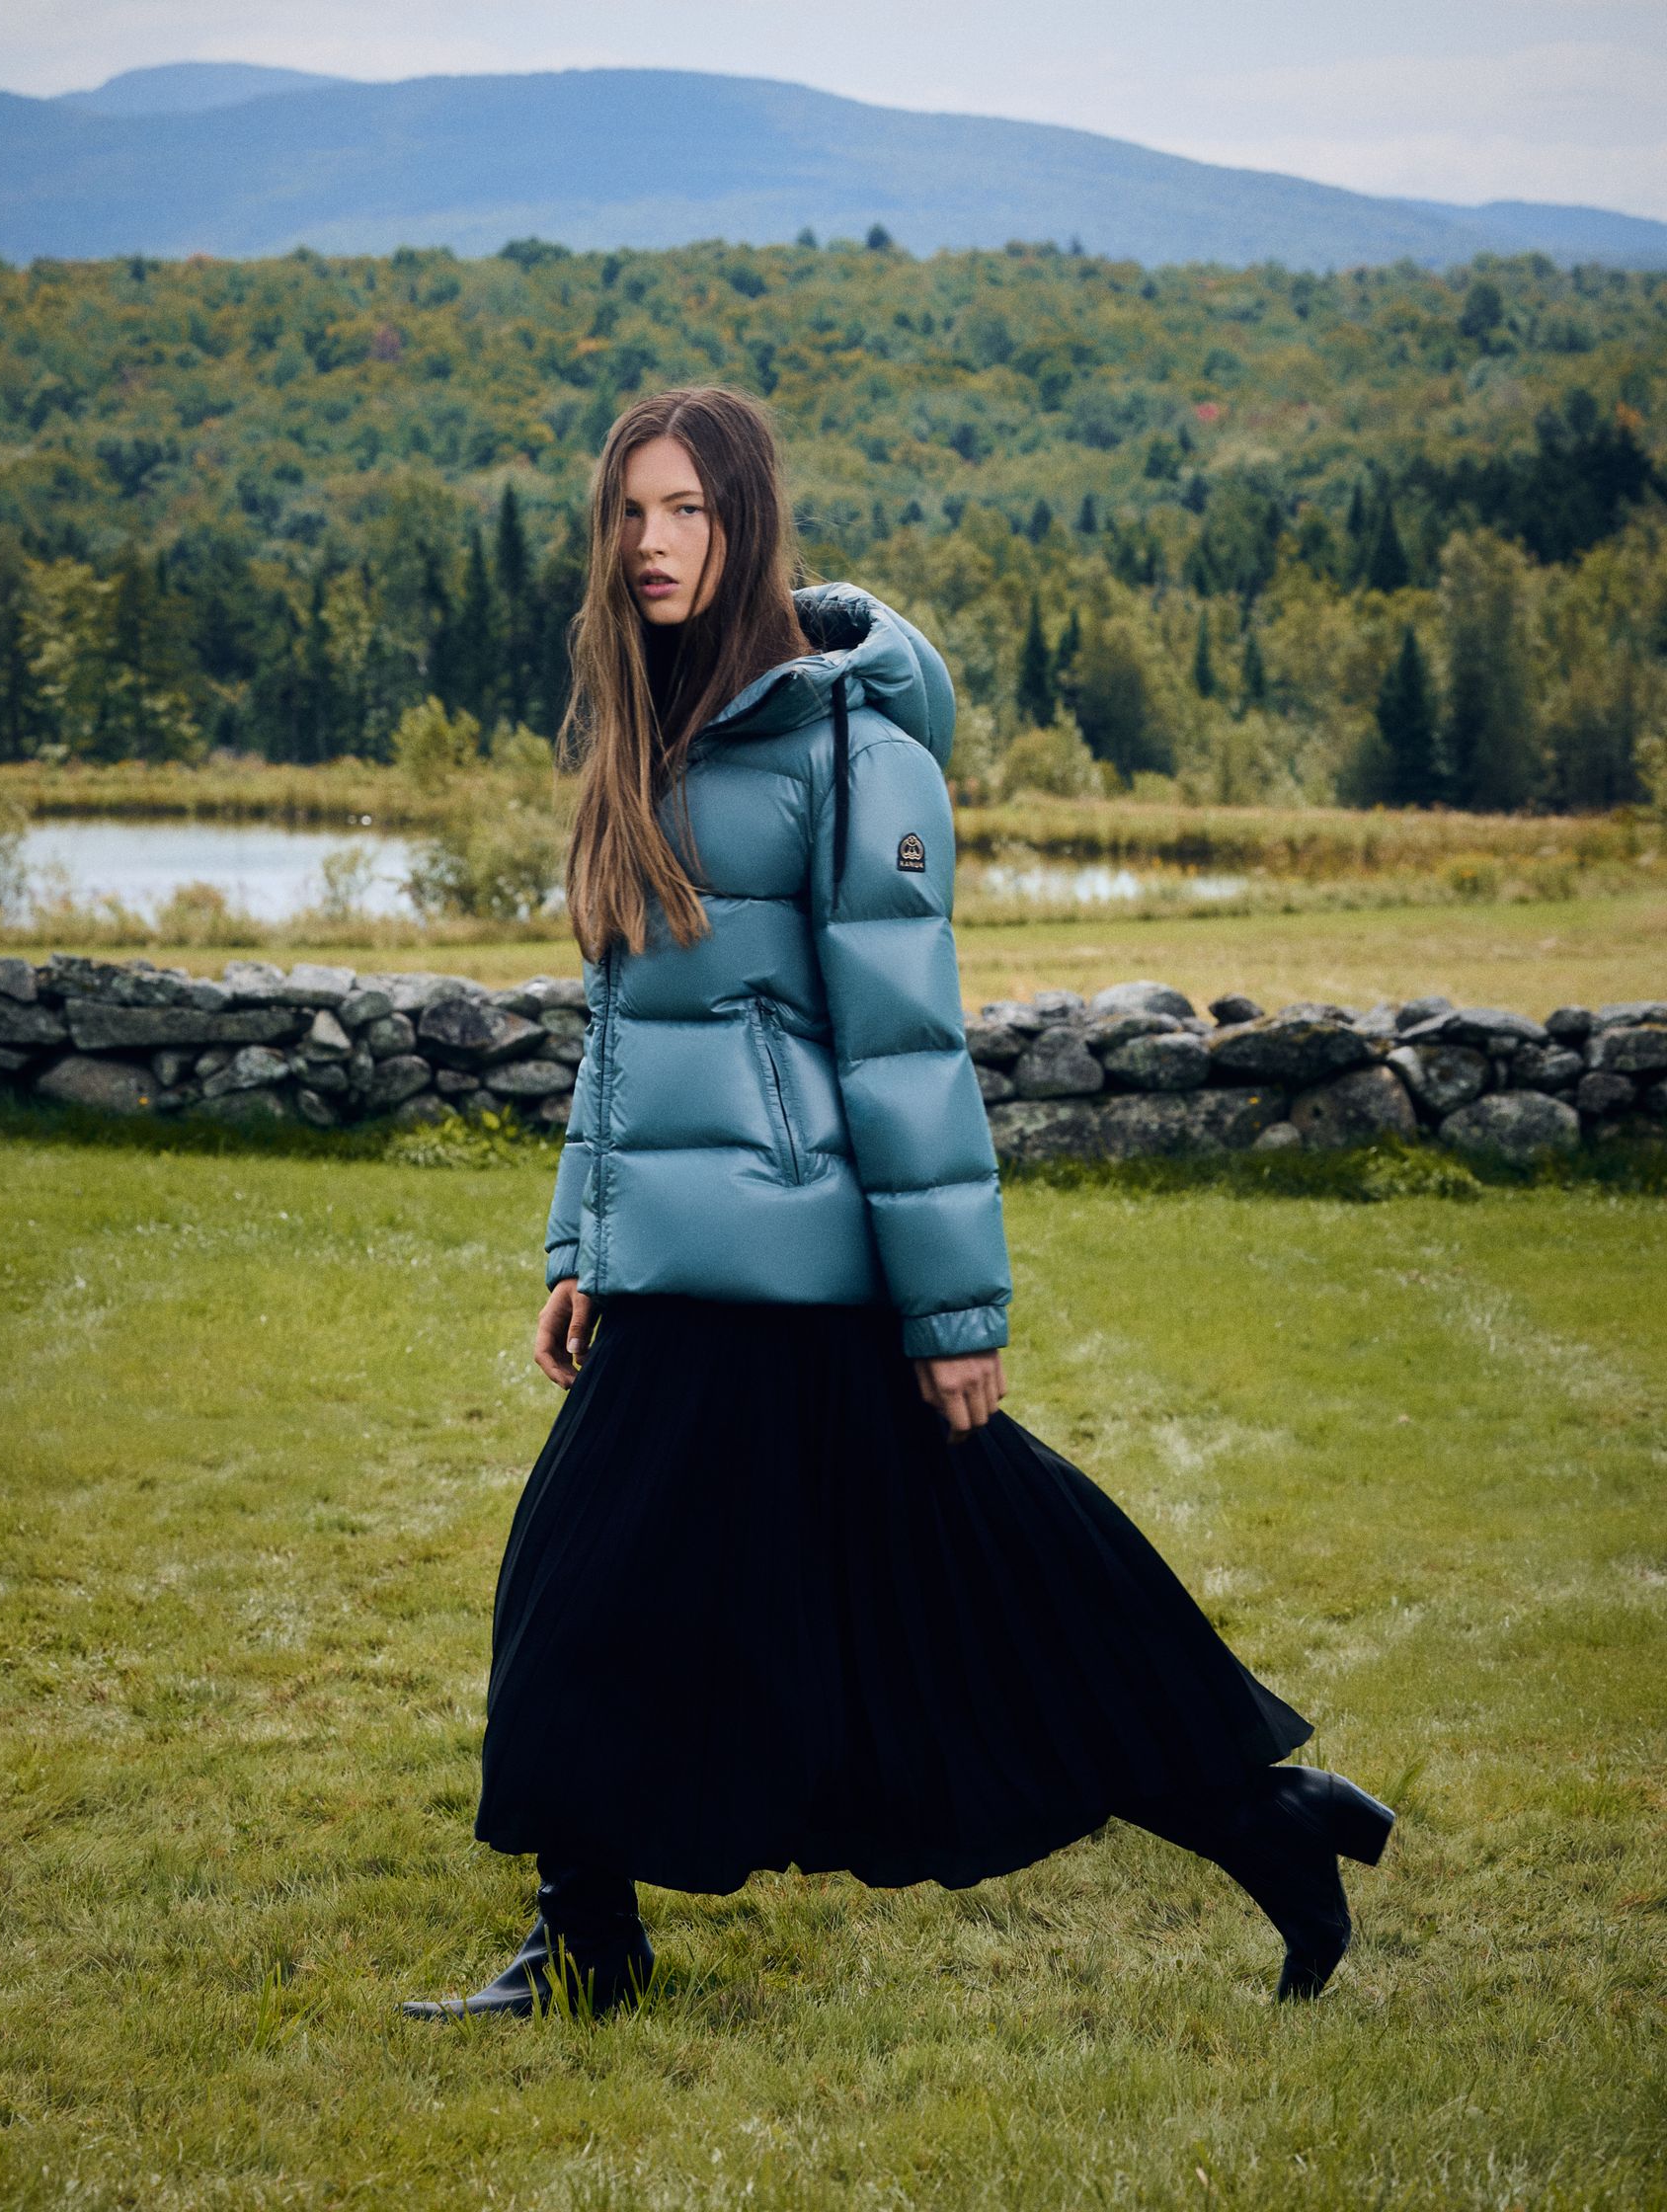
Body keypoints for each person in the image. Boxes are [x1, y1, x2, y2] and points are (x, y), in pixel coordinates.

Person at [401, 384, 1394, 2024]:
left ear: (750, 521)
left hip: (797, 1272)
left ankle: (595, 1943)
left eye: (688, 512)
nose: (652, 545)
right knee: (965, 1581)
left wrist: (954, 1316)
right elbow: (627, 1026)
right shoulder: (651, 727)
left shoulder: (854, 747)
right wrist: (582, 1244)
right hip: (683, 1269)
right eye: (629, 514)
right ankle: (1268, 1819)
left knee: (604, 1587)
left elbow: (908, 1050)